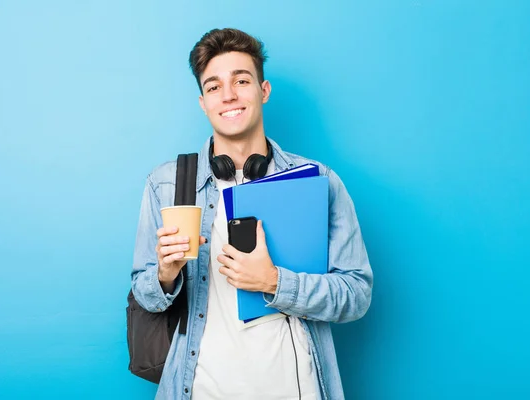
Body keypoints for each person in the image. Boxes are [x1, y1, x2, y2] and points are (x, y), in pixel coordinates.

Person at [131, 27, 373, 400]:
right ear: (202, 102)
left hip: (298, 389)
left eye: (241, 81)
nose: (228, 95)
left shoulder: (318, 181)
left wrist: (274, 281)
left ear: (263, 90)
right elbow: (145, 295)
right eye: (213, 87)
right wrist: (164, 275)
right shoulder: (165, 184)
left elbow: (356, 294)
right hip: (199, 390)